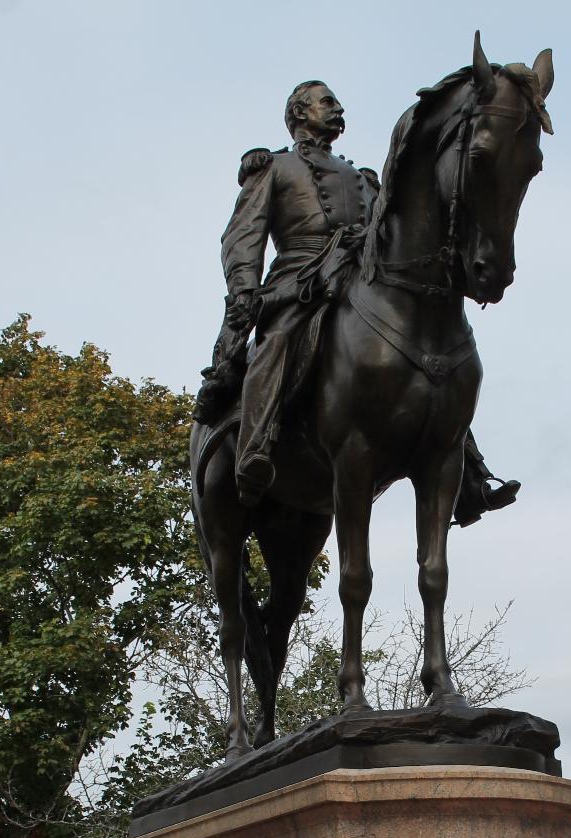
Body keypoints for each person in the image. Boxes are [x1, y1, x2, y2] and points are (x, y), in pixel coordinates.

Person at [194, 79, 519, 524]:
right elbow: (242, 237)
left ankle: (470, 475)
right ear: (298, 114)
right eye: (325, 102)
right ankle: (256, 446)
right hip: (301, 278)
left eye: (336, 102)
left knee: (426, 354)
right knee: (279, 339)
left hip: (356, 273)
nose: (337, 108)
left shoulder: (364, 179)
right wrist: (246, 288)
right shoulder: (274, 167)